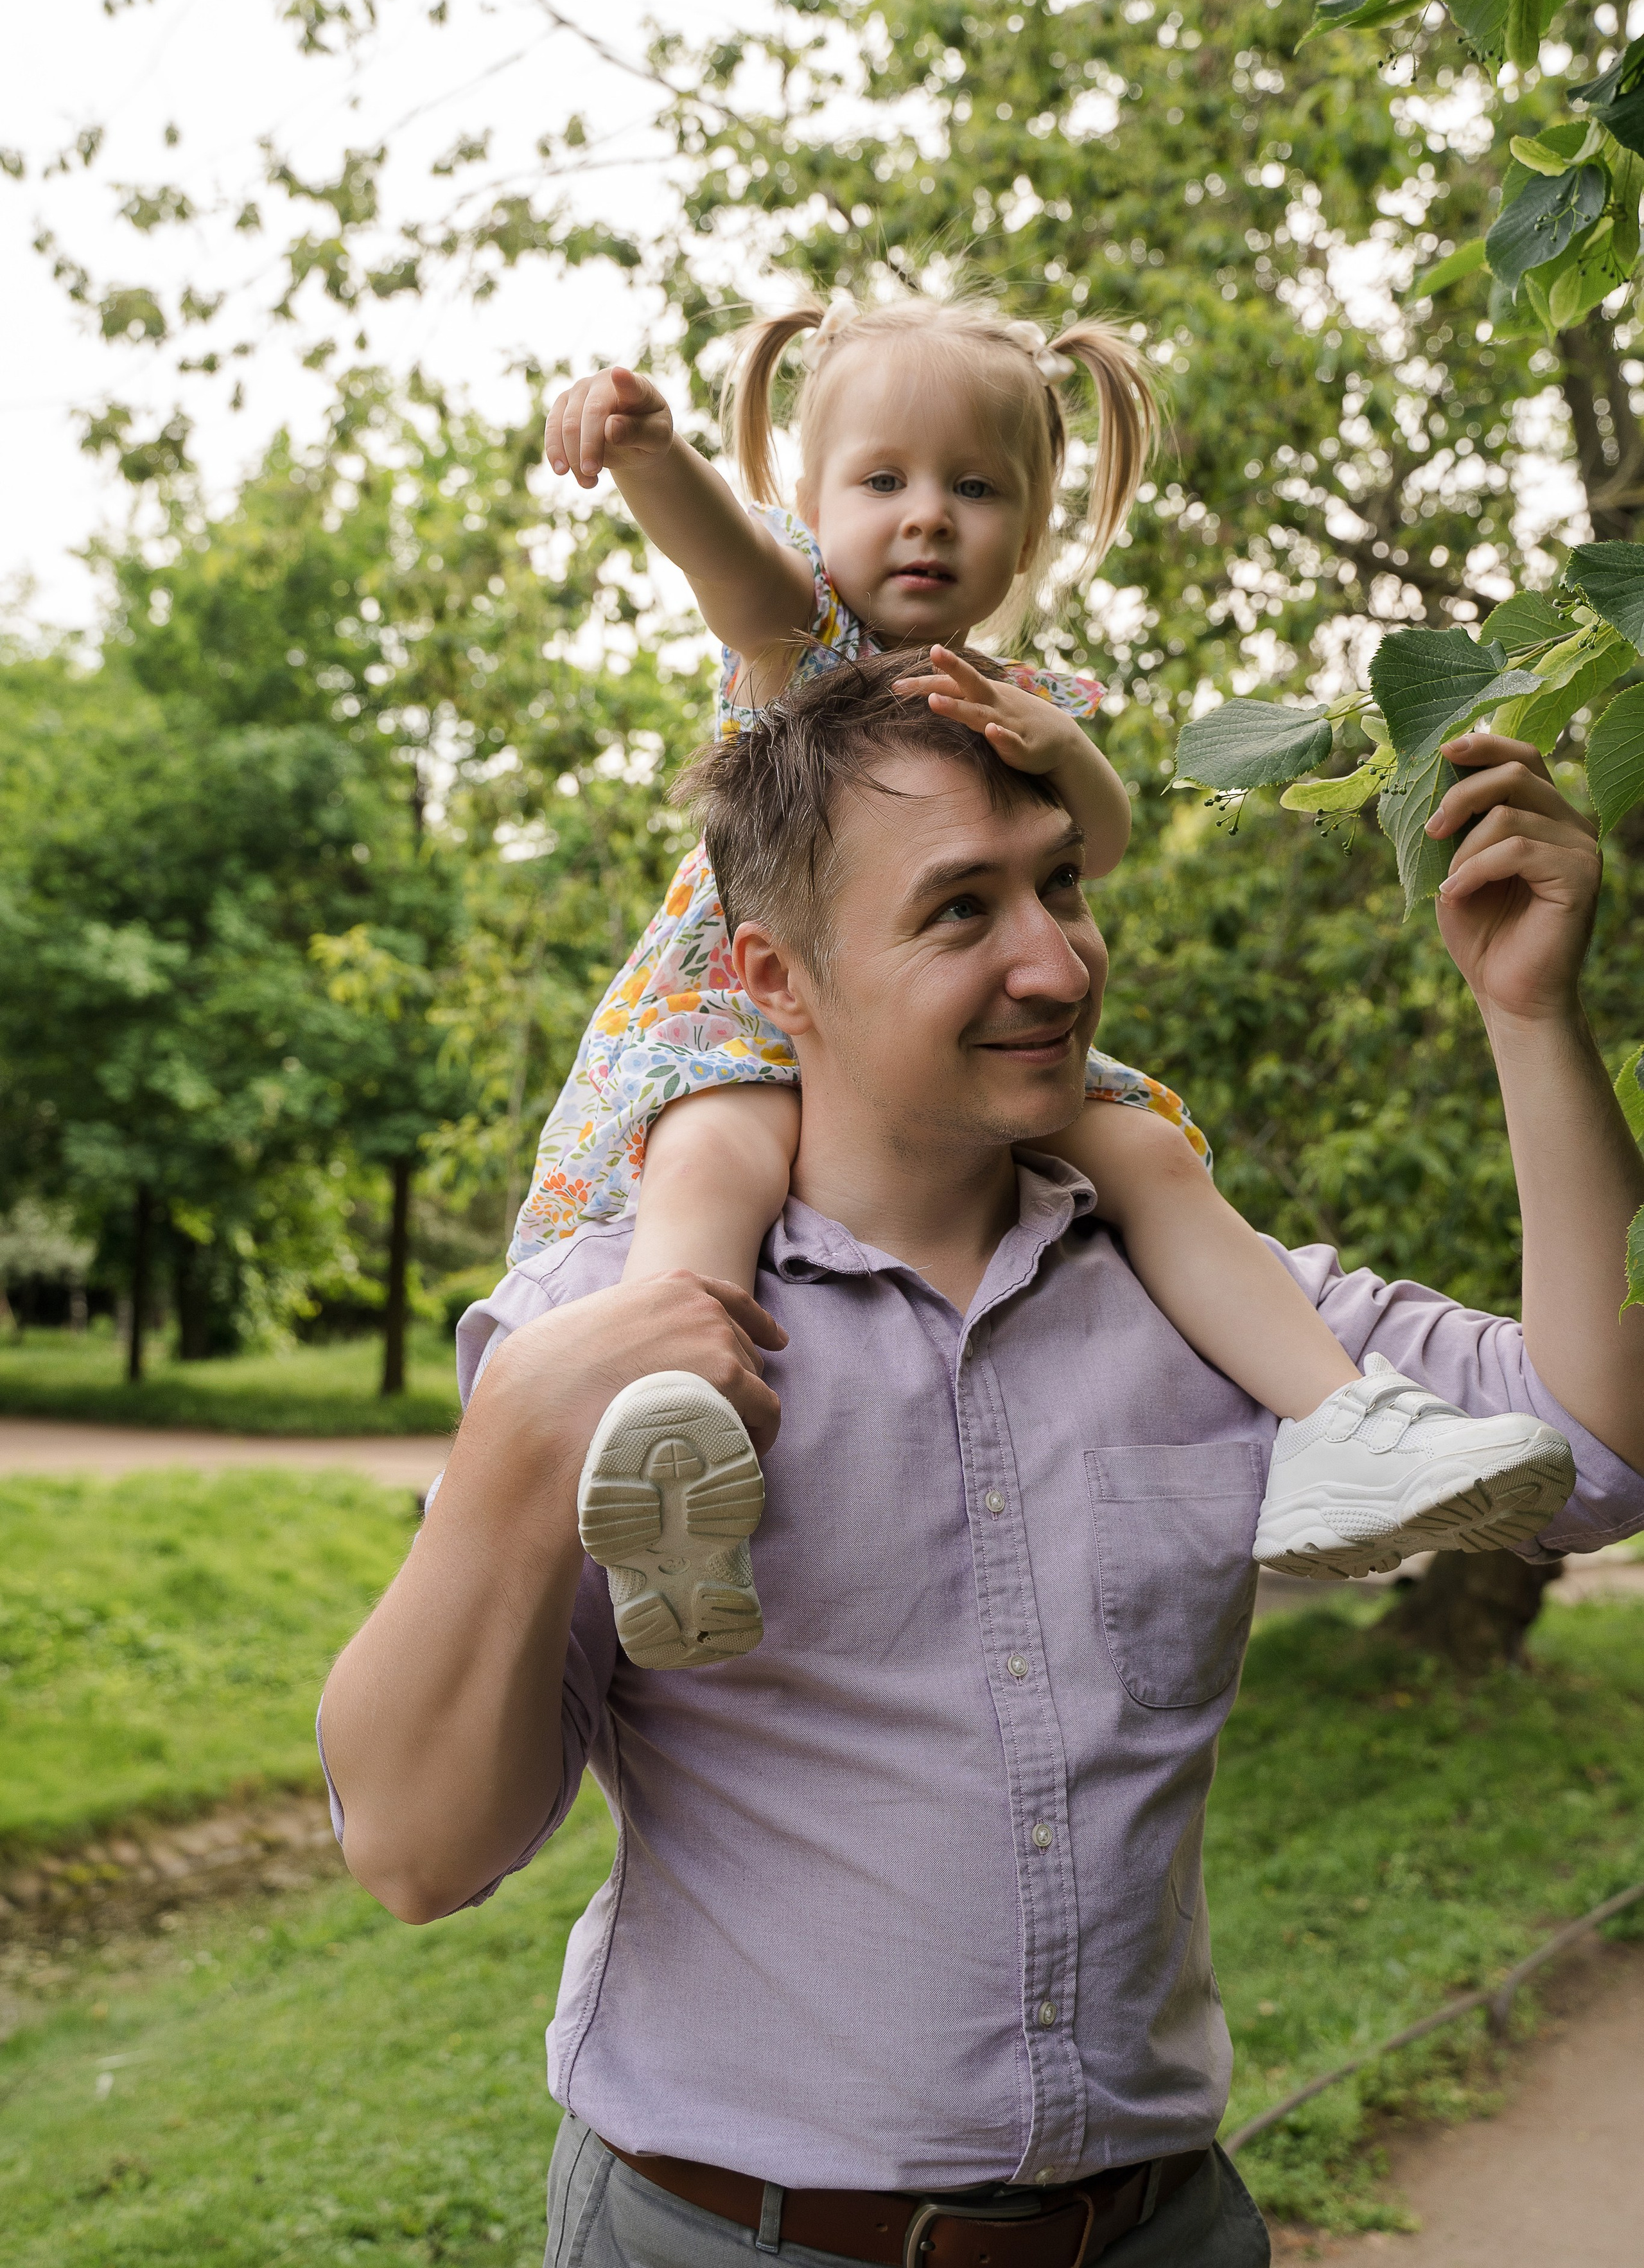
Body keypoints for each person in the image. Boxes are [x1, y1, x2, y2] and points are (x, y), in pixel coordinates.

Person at [318, 665, 1644, 2268]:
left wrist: (1528, 1021)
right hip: (724, 2238)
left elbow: (1586, 1457)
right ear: (774, 977)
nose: (1055, 960)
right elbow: (415, 1852)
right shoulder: (612, 1340)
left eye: (1060, 884)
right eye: (959, 911)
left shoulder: (1210, 1298)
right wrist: (523, 1444)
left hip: (1163, 2231)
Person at [518, 293, 1572, 1667]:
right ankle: (665, 1423)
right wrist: (652, 456)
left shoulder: (1020, 692)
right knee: (709, 1152)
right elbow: (726, 562)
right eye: (880, 481)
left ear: (1027, 525)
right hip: (746, 1017)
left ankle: (1339, 1424)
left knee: (1142, 1152)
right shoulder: (805, 641)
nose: (925, 518)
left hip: (952, 1043)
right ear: (808, 501)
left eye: (973, 487)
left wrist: (1049, 748)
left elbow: (1108, 837)